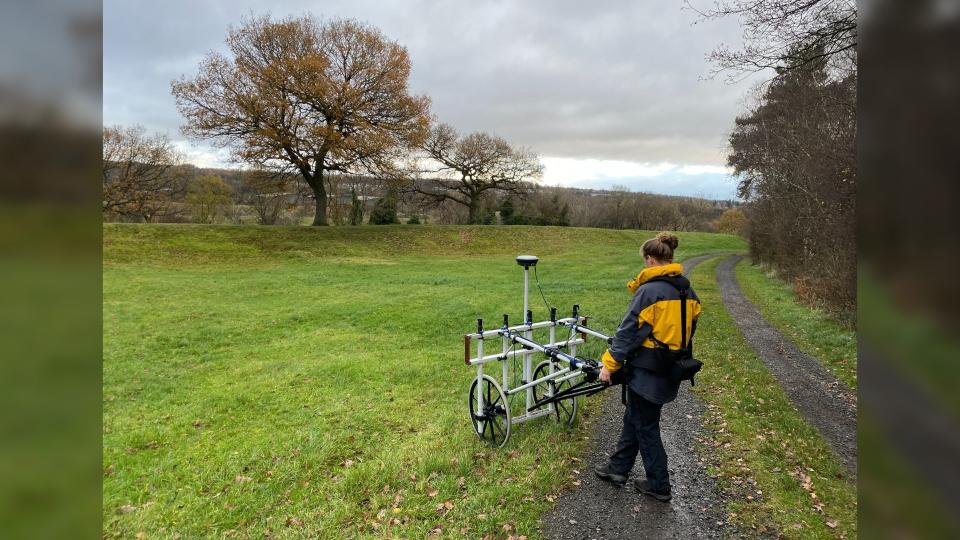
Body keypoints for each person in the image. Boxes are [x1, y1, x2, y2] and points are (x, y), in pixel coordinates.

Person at [592, 232, 702, 502]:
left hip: (648, 370)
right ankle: (617, 469)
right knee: (636, 416)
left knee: (646, 426)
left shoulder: (650, 291)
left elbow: (628, 333)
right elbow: (690, 329)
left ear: (651, 259)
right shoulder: (686, 289)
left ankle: (659, 485)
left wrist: (609, 365)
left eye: (645, 261)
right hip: (672, 367)